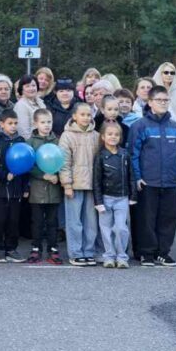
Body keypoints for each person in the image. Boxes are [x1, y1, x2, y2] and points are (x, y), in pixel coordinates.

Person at [129, 85, 176, 267]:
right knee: (146, 219)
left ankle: (163, 253)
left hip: (170, 181)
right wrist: (137, 176)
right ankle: (146, 253)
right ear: (150, 102)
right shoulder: (140, 126)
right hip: (148, 182)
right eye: (159, 100)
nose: (163, 103)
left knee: (168, 218)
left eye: (166, 100)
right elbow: (134, 154)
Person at [59, 102, 99, 266]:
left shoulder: (96, 136)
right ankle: (75, 253)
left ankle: (89, 251)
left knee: (91, 221)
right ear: (74, 116)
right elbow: (64, 163)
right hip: (74, 185)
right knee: (74, 221)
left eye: (89, 115)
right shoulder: (67, 136)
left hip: (92, 185)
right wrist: (67, 184)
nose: (86, 118)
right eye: (82, 114)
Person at [92, 121, 136, 269]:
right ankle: (109, 256)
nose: (113, 137)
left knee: (120, 228)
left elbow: (131, 176)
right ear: (103, 137)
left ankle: (122, 256)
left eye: (116, 134)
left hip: (122, 198)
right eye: (110, 134)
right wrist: (98, 201)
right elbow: (96, 181)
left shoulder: (125, 154)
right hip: (105, 198)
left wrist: (133, 196)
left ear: (120, 137)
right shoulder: (100, 156)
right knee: (105, 229)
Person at [0, 110, 27, 263]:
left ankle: (11, 248)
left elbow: (26, 165)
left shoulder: (21, 141)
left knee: (13, 221)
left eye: (15, 123)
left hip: (16, 189)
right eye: (10, 123)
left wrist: (25, 188)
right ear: (1, 124)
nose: (13, 126)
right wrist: (4, 175)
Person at [26, 109, 62, 264]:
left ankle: (53, 248)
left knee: (53, 221)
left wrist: (57, 176)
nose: (46, 125)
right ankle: (36, 247)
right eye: (43, 122)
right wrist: (42, 175)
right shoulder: (30, 142)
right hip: (37, 189)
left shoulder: (58, 141)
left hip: (53, 189)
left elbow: (63, 161)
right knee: (38, 221)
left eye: (49, 122)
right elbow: (29, 164)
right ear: (35, 123)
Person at [12, 74, 45, 139]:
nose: (31, 88)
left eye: (33, 85)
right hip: (31, 144)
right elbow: (23, 132)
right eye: (27, 86)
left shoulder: (41, 103)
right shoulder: (21, 106)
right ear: (22, 89)